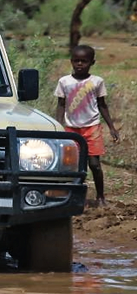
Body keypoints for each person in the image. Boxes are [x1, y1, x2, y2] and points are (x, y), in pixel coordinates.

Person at [55, 45, 120, 207]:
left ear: (92, 62)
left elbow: (102, 105)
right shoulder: (64, 82)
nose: (79, 64)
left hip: (92, 127)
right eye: (76, 61)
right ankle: (73, 196)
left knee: (94, 164)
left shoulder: (97, 82)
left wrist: (111, 127)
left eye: (84, 61)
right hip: (71, 129)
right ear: (71, 61)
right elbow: (61, 104)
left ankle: (100, 196)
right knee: (75, 166)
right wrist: (58, 125)